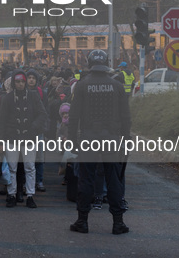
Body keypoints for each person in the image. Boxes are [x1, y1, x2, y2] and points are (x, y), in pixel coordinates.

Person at [68, 49, 131, 235]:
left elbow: (74, 116)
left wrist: (72, 140)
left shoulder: (82, 86)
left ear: (89, 64)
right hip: (112, 138)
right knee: (114, 180)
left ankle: (82, 221)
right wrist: (126, 139)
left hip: (88, 138)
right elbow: (125, 116)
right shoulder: (117, 86)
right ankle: (118, 222)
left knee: (86, 180)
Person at [0, 69, 47, 209]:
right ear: (14, 82)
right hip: (11, 138)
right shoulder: (7, 98)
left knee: (30, 167)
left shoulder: (33, 96)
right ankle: (11, 194)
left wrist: (33, 127)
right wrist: (1, 142)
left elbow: (42, 114)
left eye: (22, 82)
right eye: (17, 81)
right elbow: (1, 121)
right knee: (12, 168)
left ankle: (30, 195)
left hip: (29, 137)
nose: (20, 84)